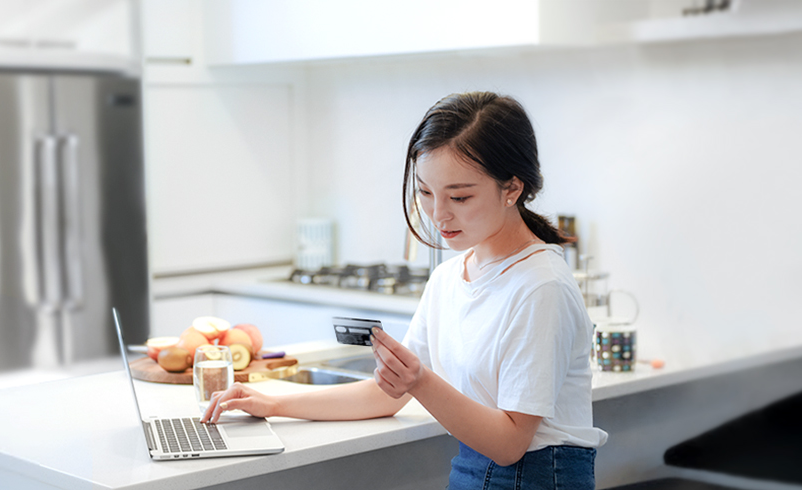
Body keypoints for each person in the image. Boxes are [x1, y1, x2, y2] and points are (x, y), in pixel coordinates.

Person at [203, 92, 607, 489]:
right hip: (473, 472)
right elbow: (386, 395)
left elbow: (508, 444)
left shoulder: (541, 287)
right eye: (426, 192)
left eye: (460, 196)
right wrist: (273, 403)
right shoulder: (451, 277)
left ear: (512, 189)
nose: (438, 214)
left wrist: (419, 381)